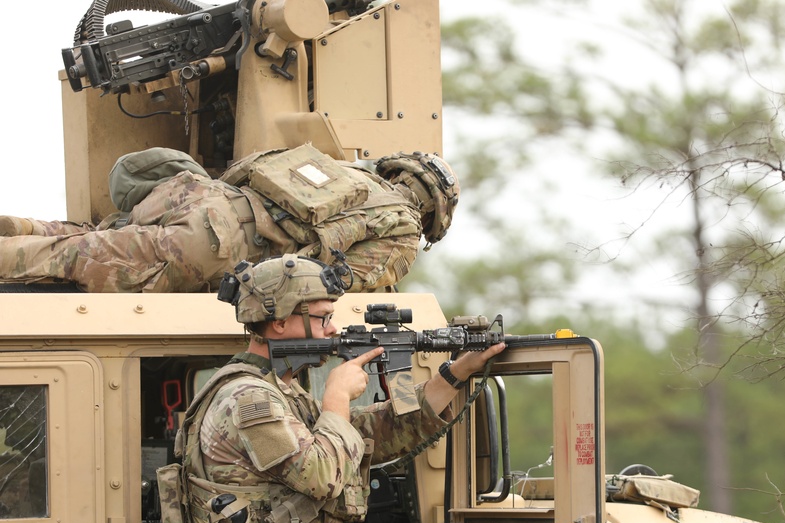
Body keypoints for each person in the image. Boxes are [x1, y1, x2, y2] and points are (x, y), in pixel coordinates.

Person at [172, 254, 503, 523]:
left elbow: (363, 436)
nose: (332, 329)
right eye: (323, 317)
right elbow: (322, 473)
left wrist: (452, 376)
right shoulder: (250, 398)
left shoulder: (280, 391)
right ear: (279, 322)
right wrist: (337, 397)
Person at [0, 145, 458, 293]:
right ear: (432, 213)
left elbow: (246, 169)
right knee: (70, 260)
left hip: (195, 192)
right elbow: (331, 283)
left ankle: (17, 227)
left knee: (87, 236)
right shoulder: (402, 232)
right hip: (216, 244)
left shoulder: (342, 170)